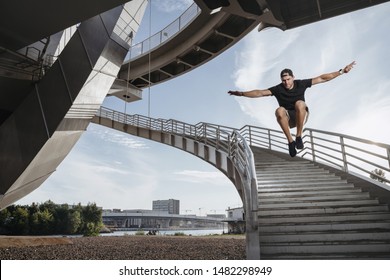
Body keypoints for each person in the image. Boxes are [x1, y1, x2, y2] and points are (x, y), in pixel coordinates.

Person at [228, 61, 356, 157]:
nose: (286, 83)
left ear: (293, 77)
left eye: (288, 79)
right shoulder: (278, 89)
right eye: (283, 80)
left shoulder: (301, 84)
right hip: (287, 120)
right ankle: (290, 142)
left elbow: (322, 78)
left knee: (300, 103)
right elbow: (260, 93)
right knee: (279, 110)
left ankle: (299, 136)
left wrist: (341, 72)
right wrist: (242, 93)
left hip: (301, 115)